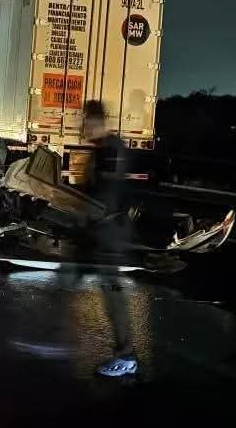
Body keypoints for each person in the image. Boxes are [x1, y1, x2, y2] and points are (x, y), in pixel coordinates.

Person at [81, 100, 139, 377]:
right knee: (108, 291)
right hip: (103, 231)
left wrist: (81, 214)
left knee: (114, 297)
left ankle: (127, 356)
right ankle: (125, 353)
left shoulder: (111, 149)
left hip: (110, 232)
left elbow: (106, 193)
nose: (83, 127)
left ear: (97, 121)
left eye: (86, 122)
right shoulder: (104, 149)